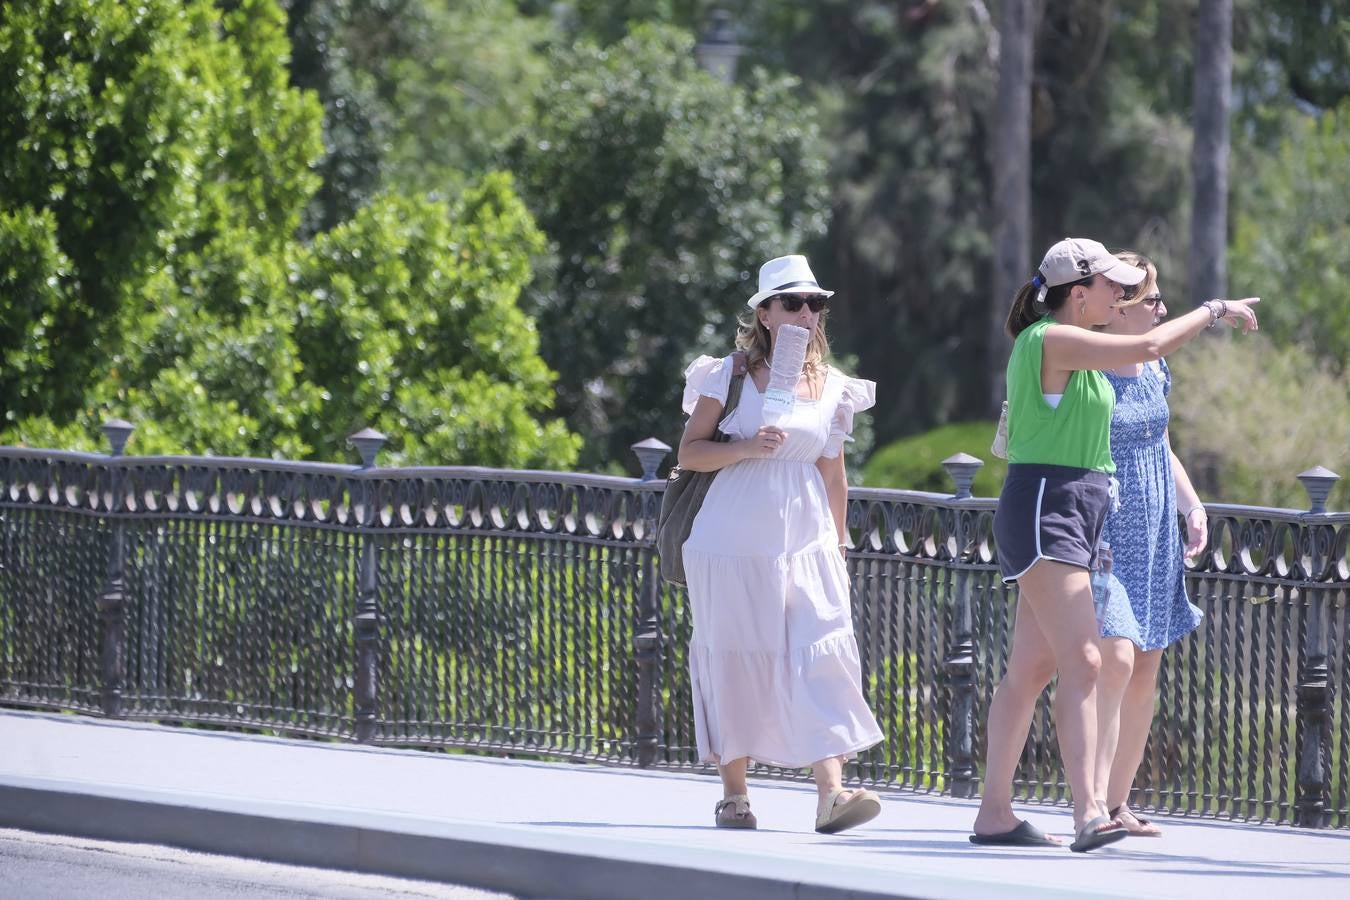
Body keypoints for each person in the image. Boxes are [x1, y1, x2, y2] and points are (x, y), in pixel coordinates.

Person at [969, 237, 1258, 852]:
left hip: (1078, 508)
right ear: (1080, 295)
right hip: (1051, 506)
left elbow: (1145, 388)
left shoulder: (1076, 347)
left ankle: (994, 812)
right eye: (1114, 288)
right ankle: (1090, 813)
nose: (1123, 296)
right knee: (1089, 659)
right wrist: (1215, 309)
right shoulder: (1052, 339)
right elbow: (1148, 342)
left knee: (1031, 668)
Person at [678, 254, 884, 834]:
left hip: (807, 534)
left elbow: (833, 470)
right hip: (732, 534)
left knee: (820, 646)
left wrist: (838, 545)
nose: (805, 313)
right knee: (736, 655)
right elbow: (690, 452)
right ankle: (735, 794)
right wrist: (747, 446)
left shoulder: (834, 387)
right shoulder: (729, 375)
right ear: (765, 313)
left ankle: (832, 794)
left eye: (814, 304)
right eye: (791, 302)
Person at [1091, 252, 1206, 837]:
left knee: (1146, 665)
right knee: (1114, 658)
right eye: (1151, 302)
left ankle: (1117, 804)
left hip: (1157, 526)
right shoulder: (1093, 364)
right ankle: (1088, 800)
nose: (1161, 309)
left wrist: (1192, 505)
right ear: (1119, 311)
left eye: (1159, 301)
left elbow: (1160, 444)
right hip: (1108, 527)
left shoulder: (1156, 372)